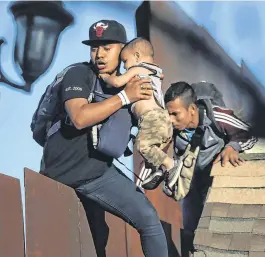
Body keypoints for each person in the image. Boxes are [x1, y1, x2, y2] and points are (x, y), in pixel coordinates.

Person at [40, 20, 169, 257]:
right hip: (75, 170)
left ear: (124, 49)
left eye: (107, 47)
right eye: (94, 48)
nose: (99, 54)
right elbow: (79, 117)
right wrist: (124, 97)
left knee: (98, 237)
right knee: (148, 220)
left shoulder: (127, 82)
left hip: (97, 169)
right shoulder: (79, 74)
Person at [163, 81, 258, 255]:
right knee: (190, 228)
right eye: (168, 114)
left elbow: (249, 133)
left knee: (212, 228)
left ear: (192, 109)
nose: (171, 120)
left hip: (214, 183)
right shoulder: (171, 128)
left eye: (175, 114)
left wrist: (232, 147)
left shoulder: (217, 117)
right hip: (191, 184)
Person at [100, 37, 176, 190]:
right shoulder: (155, 71)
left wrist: (105, 76)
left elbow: (117, 82)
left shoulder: (138, 69)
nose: (124, 66)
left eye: (125, 61)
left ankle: (170, 165)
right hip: (163, 121)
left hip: (151, 117)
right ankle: (158, 171)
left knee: (143, 146)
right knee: (151, 153)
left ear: (136, 56)